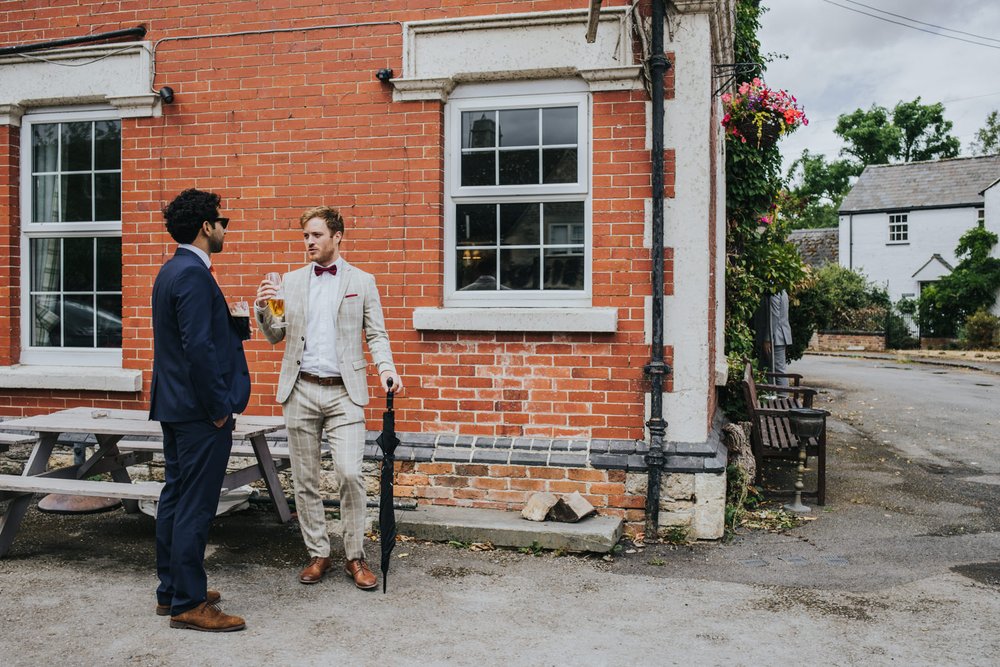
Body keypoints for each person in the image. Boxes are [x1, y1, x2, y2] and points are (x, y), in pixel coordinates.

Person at [255, 205, 402, 590]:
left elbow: (376, 334)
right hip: (300, 388)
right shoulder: (290, 280)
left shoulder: (362, 281)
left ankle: (354, 555)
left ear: (337, 236)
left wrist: (386, 368)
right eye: (305, 236)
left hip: (345, 394)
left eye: (316, 235)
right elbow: (275, 335)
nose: (309, 242)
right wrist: (264, 306)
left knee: (350, 475)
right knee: (305, 479)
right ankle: (318, 552)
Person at [149, 188, 251, 632]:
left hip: (174, 405)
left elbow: (190, 337)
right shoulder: (193, 274)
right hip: (198, 411)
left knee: (175, 496)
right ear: (206, 227)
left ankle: (171, 589)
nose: (225, 227)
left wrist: (237, 324)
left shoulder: (172, 270)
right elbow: (197, 349)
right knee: (195, 504)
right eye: (221, 220)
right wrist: (218, 409)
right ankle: (189, 603)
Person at [754, 289, 793, 386]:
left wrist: (768, 339)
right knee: (769, 370)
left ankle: (783, 398)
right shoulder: (782, 290)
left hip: (775, 338)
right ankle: (772, 397)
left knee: (778, 372)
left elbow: (774, 317)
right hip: (776, 337)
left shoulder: (774, 292)